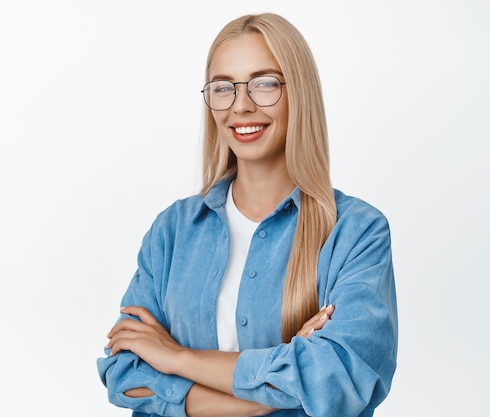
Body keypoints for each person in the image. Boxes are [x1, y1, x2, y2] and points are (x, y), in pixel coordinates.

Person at [97, 12, 397, 417]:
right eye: (224, 88)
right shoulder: (173, 230)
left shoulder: (356, 232)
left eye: (265, 84)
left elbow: (337, 379)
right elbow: (123, 370)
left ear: (299, 93)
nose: (241, 105)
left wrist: (175, 358)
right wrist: (272, 388)